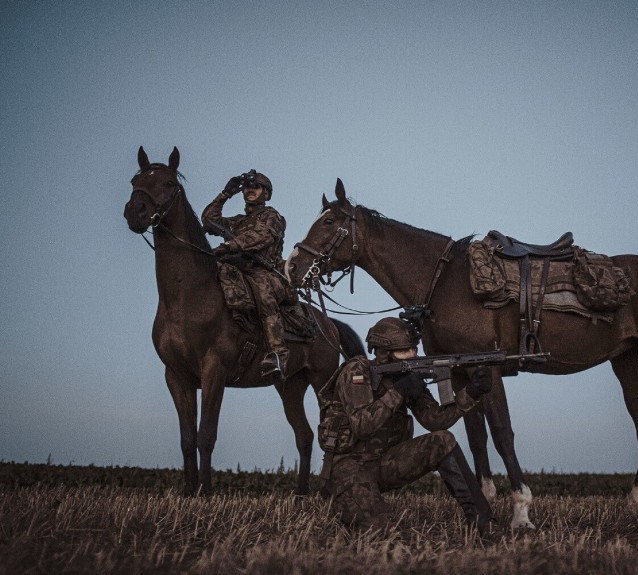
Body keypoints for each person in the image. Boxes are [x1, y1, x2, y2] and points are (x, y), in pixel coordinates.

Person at [317, 317, 495, 534]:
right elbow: (362, 424)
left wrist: (471, 393)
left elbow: (435, 421)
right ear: (383, 353)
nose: (412, 355)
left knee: (442, 440)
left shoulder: (406, 376)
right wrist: (399, 392)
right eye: (404, 351)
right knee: (381, 532)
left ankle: (483, 521)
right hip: (347, 468)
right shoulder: (356, 371)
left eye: (413, 349)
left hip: (384, 464)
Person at [202, 170, 291, 377]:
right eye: (247, 187)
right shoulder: (238, 221)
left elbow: (260, 236)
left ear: (266, 194)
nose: (250, 190)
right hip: (237, 270)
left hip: (267, 272)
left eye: (256, 187)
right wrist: (226, 193)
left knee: (263, 292)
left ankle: (278, 354)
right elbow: (208, 220)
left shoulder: (273, 216)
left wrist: (229, 246)